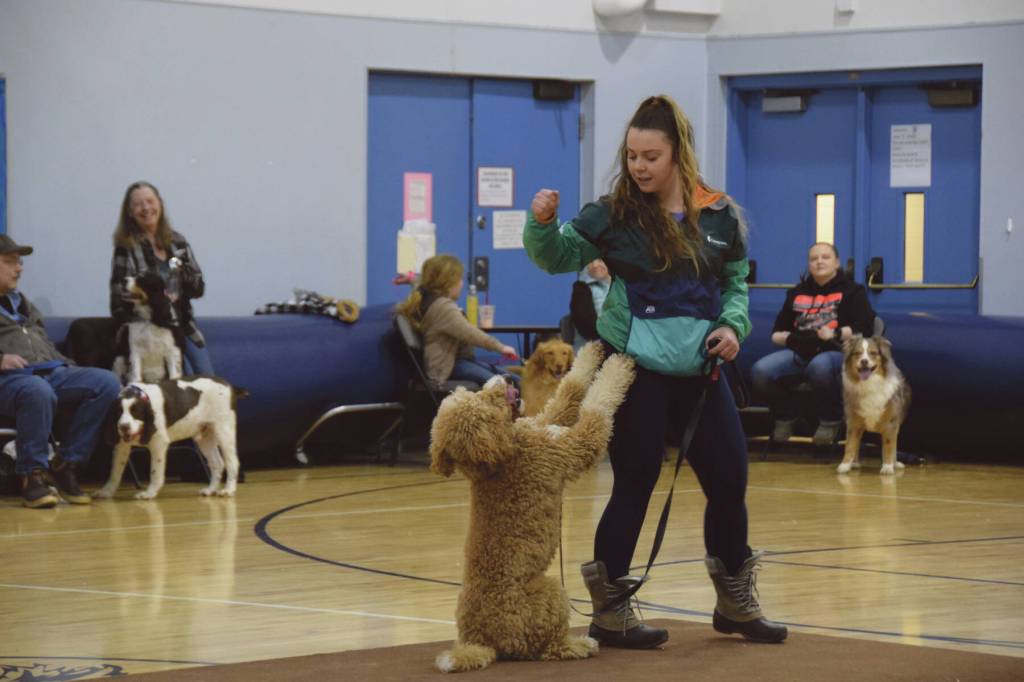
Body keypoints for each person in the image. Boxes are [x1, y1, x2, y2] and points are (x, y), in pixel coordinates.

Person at [525, 95, 787, 648]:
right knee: (635, 482)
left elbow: (735, 287)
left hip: (702, 373)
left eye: (651, 156)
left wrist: (733, 328)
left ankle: (735, 604)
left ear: (678, 155)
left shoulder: (718, 215)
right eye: (632, 155)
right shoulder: (613, 213)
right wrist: (542, 223)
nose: (639, 166)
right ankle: (611, 611)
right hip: (635, 370)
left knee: (729, 481)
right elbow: (554, 257)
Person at [0, 235, 121, 508]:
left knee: (106, 382)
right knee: (38, 391)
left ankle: (66, 463)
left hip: (49, 371)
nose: (19, 268)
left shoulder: (23, 303)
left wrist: (68, 365)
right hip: (11, 380)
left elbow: (42, 343)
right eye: (10, 262)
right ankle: (31, 476)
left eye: (20, 262)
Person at [750, 242, 876, 446]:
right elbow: (776, 333)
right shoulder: (797, 292)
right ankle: (786, 416)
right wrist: (793, 339)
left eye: (825, 257)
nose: (819, 262)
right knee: (761, 371)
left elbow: (866, 328)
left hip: (837, 352)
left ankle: (831, 419)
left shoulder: (853, 291)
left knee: (819, 367)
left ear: (837, 263)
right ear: (808, 264)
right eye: (814, 258)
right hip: (801, 352)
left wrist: (835, 333)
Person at [109, 181, 213, 376]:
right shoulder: (126, 247)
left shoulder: (178, 241)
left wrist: (187, 279)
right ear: (130, 212)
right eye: (138, 204)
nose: (146, 208)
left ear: (160, 204)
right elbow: (118, 301)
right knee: (181, 384)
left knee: (206, 378)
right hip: (146, 329)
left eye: (150, 201)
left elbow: (199, 289)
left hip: (183, 325)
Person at [395, 254, 518, 386]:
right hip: (448, 368)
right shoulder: (443, 307)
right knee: (503, 385)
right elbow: (471, 333)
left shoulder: (428, 297)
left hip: (458, 362)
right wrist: (501, 347)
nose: (462, 283)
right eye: (459, 278)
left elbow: (421, 283)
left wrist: (412, 279)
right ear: (448, 282)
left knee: (514, 380)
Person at [569, 259, 611, 351]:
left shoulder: (623, 288)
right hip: (591, 350)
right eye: (590, 261)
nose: (595, 265)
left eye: (600, 260)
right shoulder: (581, 289)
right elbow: (586, 326)